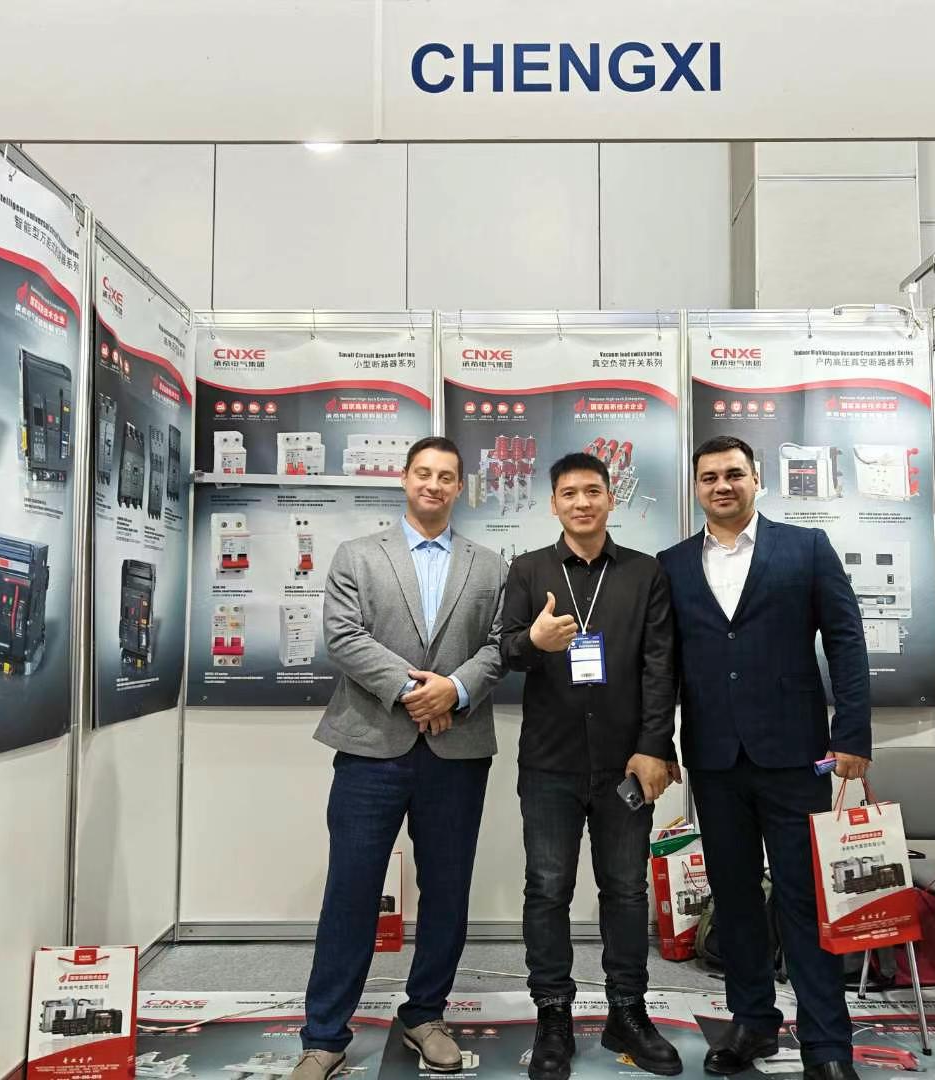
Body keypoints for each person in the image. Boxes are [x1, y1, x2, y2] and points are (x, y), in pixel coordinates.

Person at [657, 435, 872, 1080]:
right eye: (709, 477)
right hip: (714, 757)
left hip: (795, 755)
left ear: (756, 480)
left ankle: (827, 1045)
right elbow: (661, 665)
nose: (721, 486)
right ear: (696, 487)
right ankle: (752, 1022)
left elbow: (846, 639)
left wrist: (852, 735)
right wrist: (659, 745)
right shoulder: (673, 564)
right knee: (734, 896)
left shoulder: (805, 548)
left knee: (805, 897)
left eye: (733, 474)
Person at [294, 436, 508, 1080]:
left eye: (446, 476)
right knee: (351, 889)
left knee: (447, 889)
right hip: (370, 747)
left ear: (460, 487)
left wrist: (456, 690)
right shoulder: (358, 555)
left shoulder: (490, 565)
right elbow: (343, 637)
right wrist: (419, 693)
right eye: (423, 473)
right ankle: (325, 1034)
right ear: (405, 479)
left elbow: (501, 645)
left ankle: (425, 1015)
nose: (433, 485)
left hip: (457, 751)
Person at [499, 451, 681, 1080]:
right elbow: (505, 651)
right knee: (547, 889)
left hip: (625, 762)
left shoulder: (644, 572)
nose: (582, 502)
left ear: (611, 498)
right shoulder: (528, 569)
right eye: (569, 493)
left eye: (593, 491)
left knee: (626, 890)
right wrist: (534, 642)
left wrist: (655, 746)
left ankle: (626, 1010)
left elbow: (661, 666)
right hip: (549, 762)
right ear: (553, 503)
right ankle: (553, 1014)